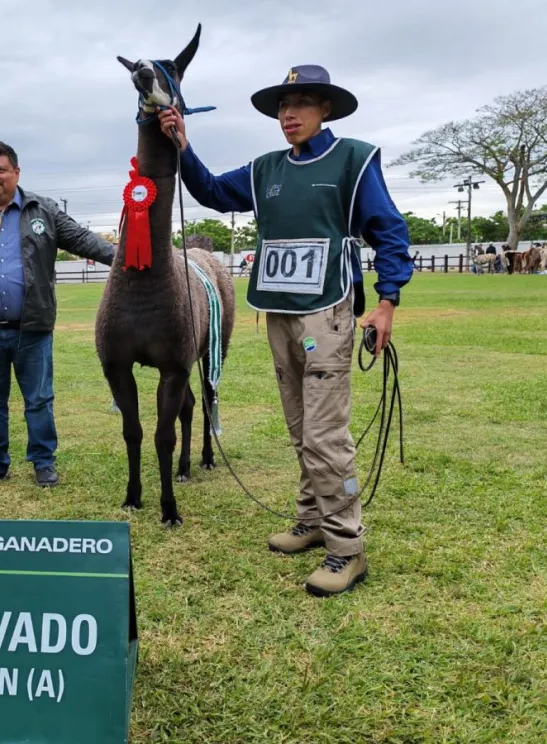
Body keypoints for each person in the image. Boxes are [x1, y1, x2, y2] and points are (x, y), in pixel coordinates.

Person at [160, 65, 413, 597]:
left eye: (300, 103)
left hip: (329, 309)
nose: (288, 114)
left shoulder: (354, 159)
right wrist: (183, 146)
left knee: (326, 433)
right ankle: (312, 519)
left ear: (325, 110)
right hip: (278, 310)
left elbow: (389, 228)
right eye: (282, 106)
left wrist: (387, 301)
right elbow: (210, 192)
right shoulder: (265, 169)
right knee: (301, 427)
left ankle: (347, 547)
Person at [0, 141, 115, 491]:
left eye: (0, 169)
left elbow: (82, 240)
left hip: (32, 328)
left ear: (16, 173)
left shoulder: (42, 211)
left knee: (38, 400)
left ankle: (43, 462)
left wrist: (128, 256)